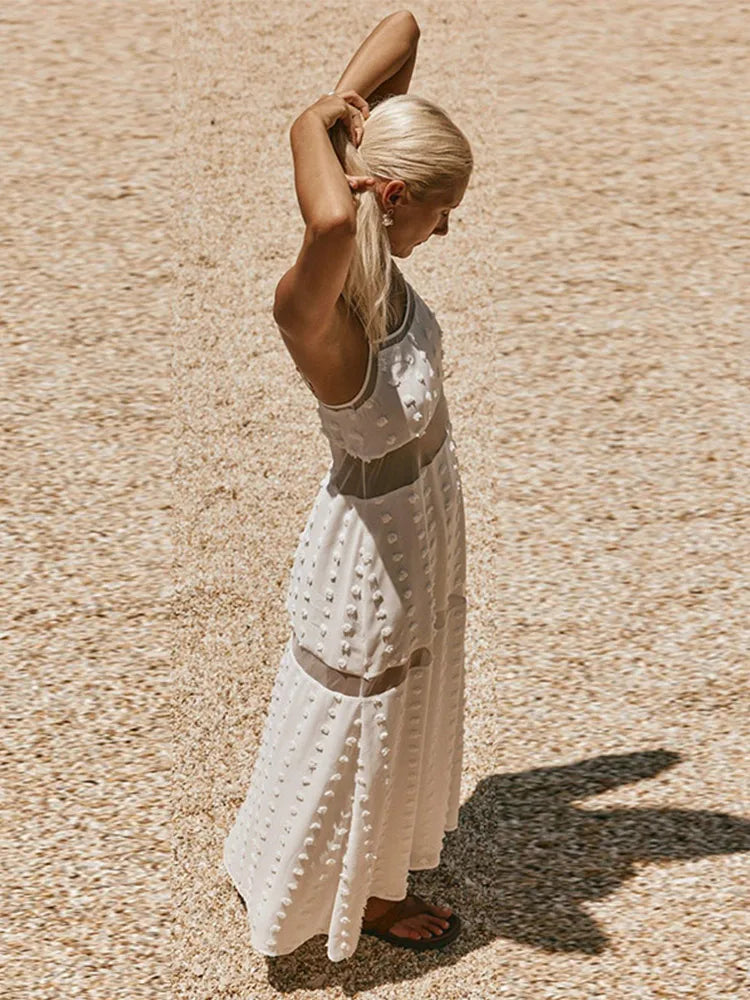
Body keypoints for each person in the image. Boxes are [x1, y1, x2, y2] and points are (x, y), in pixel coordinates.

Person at [223, 11, 473, 962]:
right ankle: (344, 896)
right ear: (393, 195)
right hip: (373, 553)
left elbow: (402, 25)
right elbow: (329, 214)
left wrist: (346, 119)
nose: (444, 230)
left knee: (404, 705)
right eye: (438, 210)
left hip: (425, 516)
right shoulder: (315, 311)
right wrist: (305, 123)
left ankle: (374, 865)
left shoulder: (375, 250)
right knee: (356, 722)